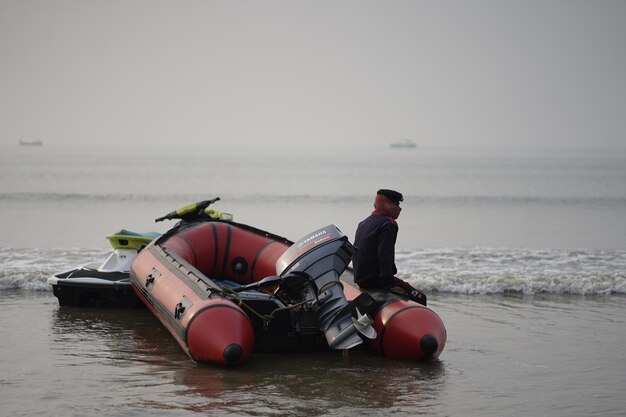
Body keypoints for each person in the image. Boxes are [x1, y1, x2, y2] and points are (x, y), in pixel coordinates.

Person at [352, 189, 427, 306]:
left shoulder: (364, 222)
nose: (399, 209)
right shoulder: (388, 224)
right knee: (421, 297)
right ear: (385, 204)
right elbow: (385, 255)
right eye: (396, 204)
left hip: (360, 279)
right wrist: (389, 285)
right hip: (375, 281)